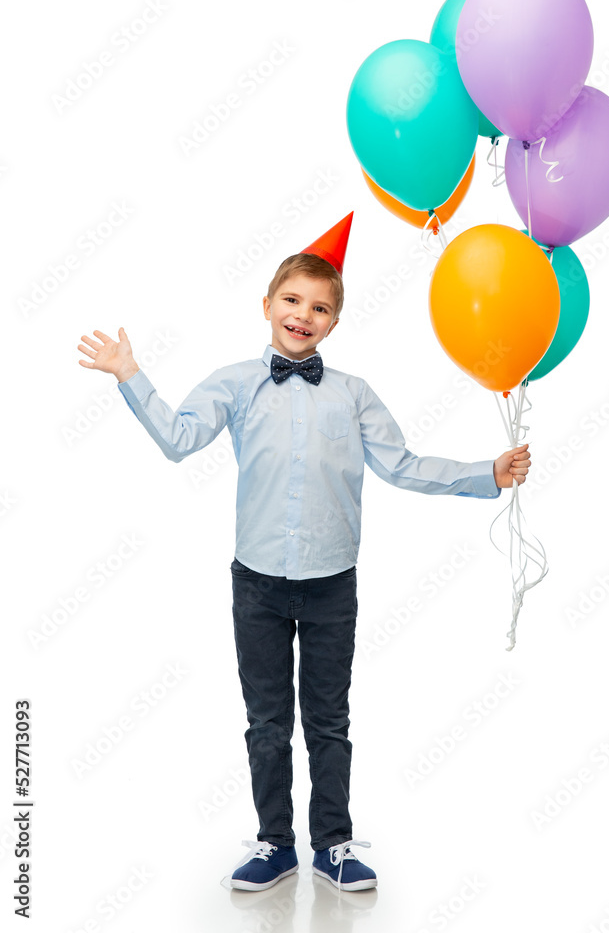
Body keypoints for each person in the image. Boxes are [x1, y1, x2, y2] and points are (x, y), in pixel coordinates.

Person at [77, 212, 531, 894]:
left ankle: (335, 845)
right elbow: (178, 439)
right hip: (256, 584)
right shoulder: (234, 383)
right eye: (291, 300)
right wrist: (129, 374)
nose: (303, 315)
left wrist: (484, 474)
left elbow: (402, 465)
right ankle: (274, 844)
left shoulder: (354, 394)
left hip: (331, 585)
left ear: (334, 324)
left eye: (319, 308)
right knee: (266, 722)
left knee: (328, 721)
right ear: (266, 305)